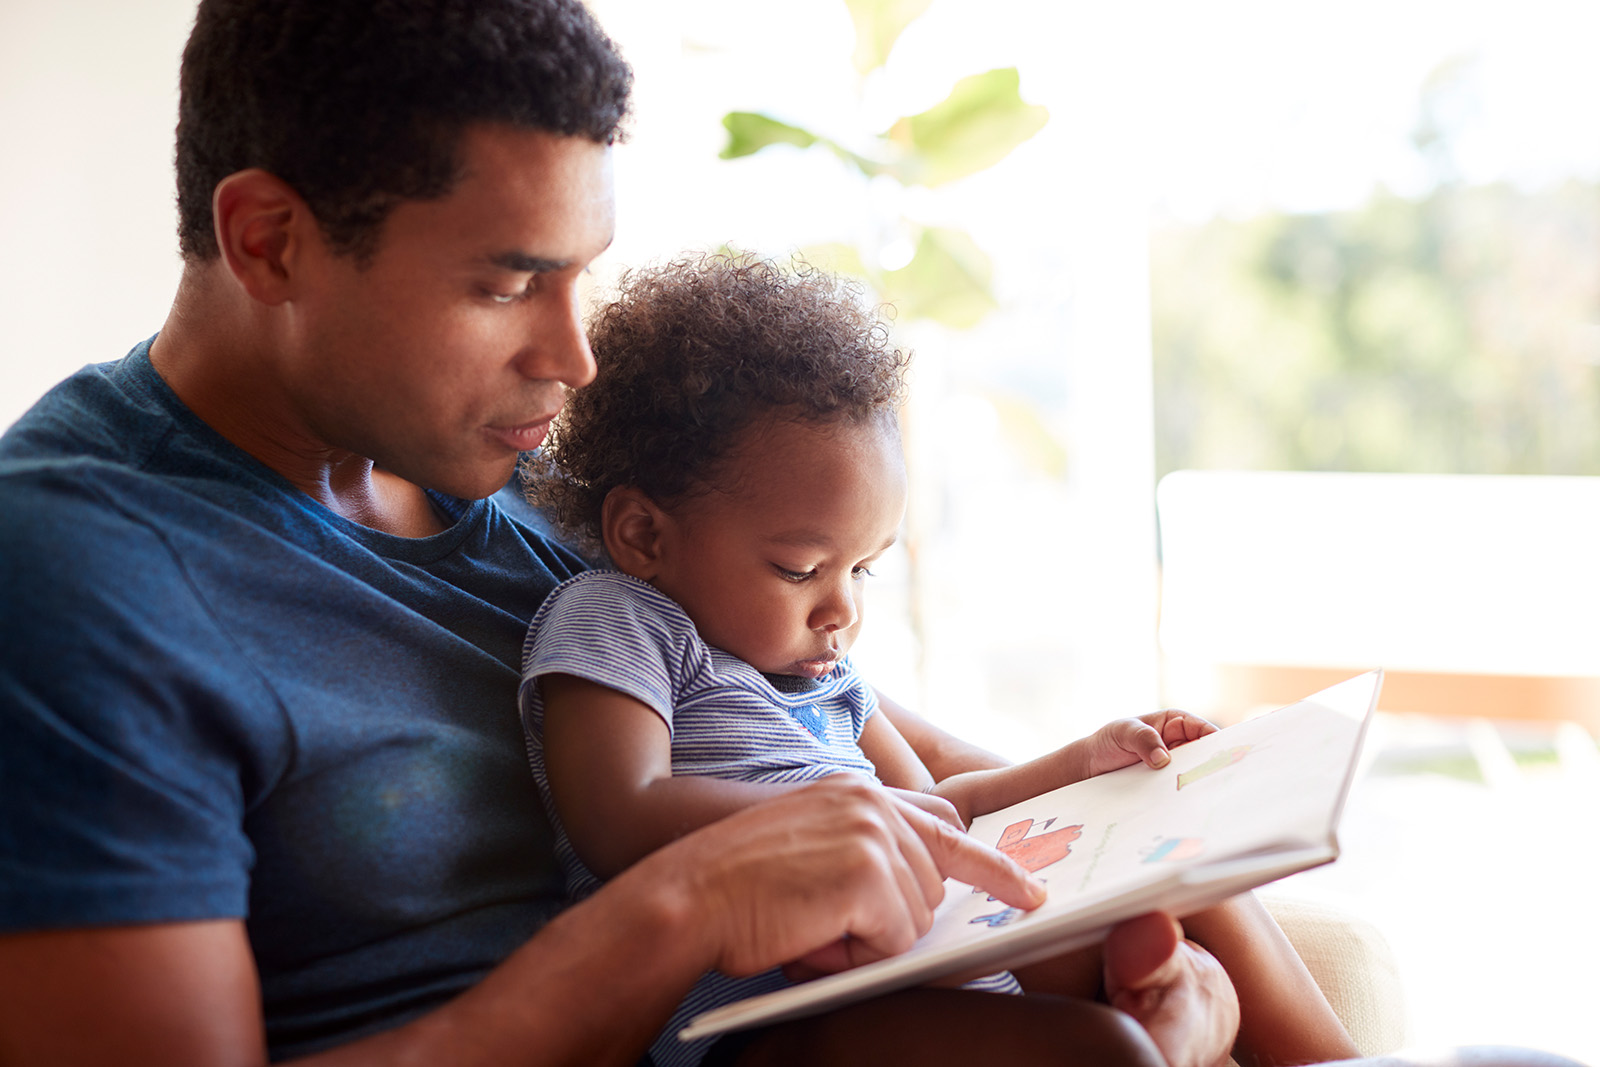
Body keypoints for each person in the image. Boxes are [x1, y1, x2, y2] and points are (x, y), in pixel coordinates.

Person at [0, 2, 1582, 1066]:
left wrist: (1097, 835)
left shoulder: (512, 472)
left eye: (582, 274)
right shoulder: (83, 580)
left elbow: (827, 720)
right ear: (269, 237)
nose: (576, 355)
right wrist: (687, 900)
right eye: (503, 283)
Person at [516, 253, 1365, 1067]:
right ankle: (1158, 1030)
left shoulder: (831, 677)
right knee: (1110, 1050)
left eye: (863, 568)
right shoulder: (619, 619)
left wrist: (1084, 763)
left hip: (926, 958)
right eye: (799, 569)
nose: (842, 608)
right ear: (644, 534)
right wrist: (828, 820)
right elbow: (618, 813)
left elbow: (938, 810)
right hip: (768, 1022)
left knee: (1191, 862)